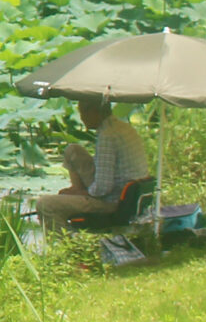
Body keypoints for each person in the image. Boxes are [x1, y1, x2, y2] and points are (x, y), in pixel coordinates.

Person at [35, 97, 151, 229]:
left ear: (94, 112)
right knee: (73, 151)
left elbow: (103, 188)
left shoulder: (107, 136)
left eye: (83, 113)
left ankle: (67, 243)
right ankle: (77, 194)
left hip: (112, 201)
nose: (82, 118)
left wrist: (81, 194)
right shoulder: (122, 127)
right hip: (128, 194)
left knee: (45, 204)